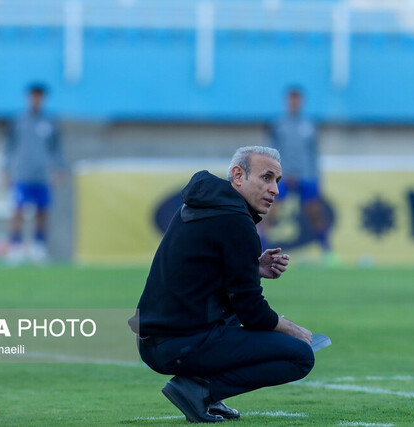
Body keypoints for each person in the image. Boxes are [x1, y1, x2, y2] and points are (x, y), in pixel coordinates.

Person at [130, 146, 314, 423]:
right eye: (266, 177)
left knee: (231, 319)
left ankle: (206, 391)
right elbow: (252, 310)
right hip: (179, 344)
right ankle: (199, 390)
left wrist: (251, 267)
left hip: (156, 340)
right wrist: (291, 329)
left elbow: (201, 270)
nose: (275, 189)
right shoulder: (236, 221)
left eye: (277, 180)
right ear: (238, 176)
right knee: (300, 356)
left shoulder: (203, 204)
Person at [266, 86, 337, 265]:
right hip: (283, 176)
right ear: (287, 101)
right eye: (291, 99)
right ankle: (261, 249)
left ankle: (328, 252)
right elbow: (270, 152)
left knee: (315, 213)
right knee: (270, 211)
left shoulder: (309, 125)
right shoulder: (278, 125)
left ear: (301, 102)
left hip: (306, 175)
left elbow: (314, 154)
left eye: (297, 99)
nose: (294, 103)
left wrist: (318, 178)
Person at [3, 83, 64, 265]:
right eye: (33, 96)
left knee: (42, 212)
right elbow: (8, 148)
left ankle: (39, 247)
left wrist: (58, 168)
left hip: (42, 176)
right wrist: (5, 170)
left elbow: (56, 149)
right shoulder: (18, 122)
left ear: (43, 99)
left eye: (39, 97)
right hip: (22, 175)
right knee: (18, 211)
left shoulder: (50, 123)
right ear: (28, 98)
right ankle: (16, 247)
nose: (36, 100)